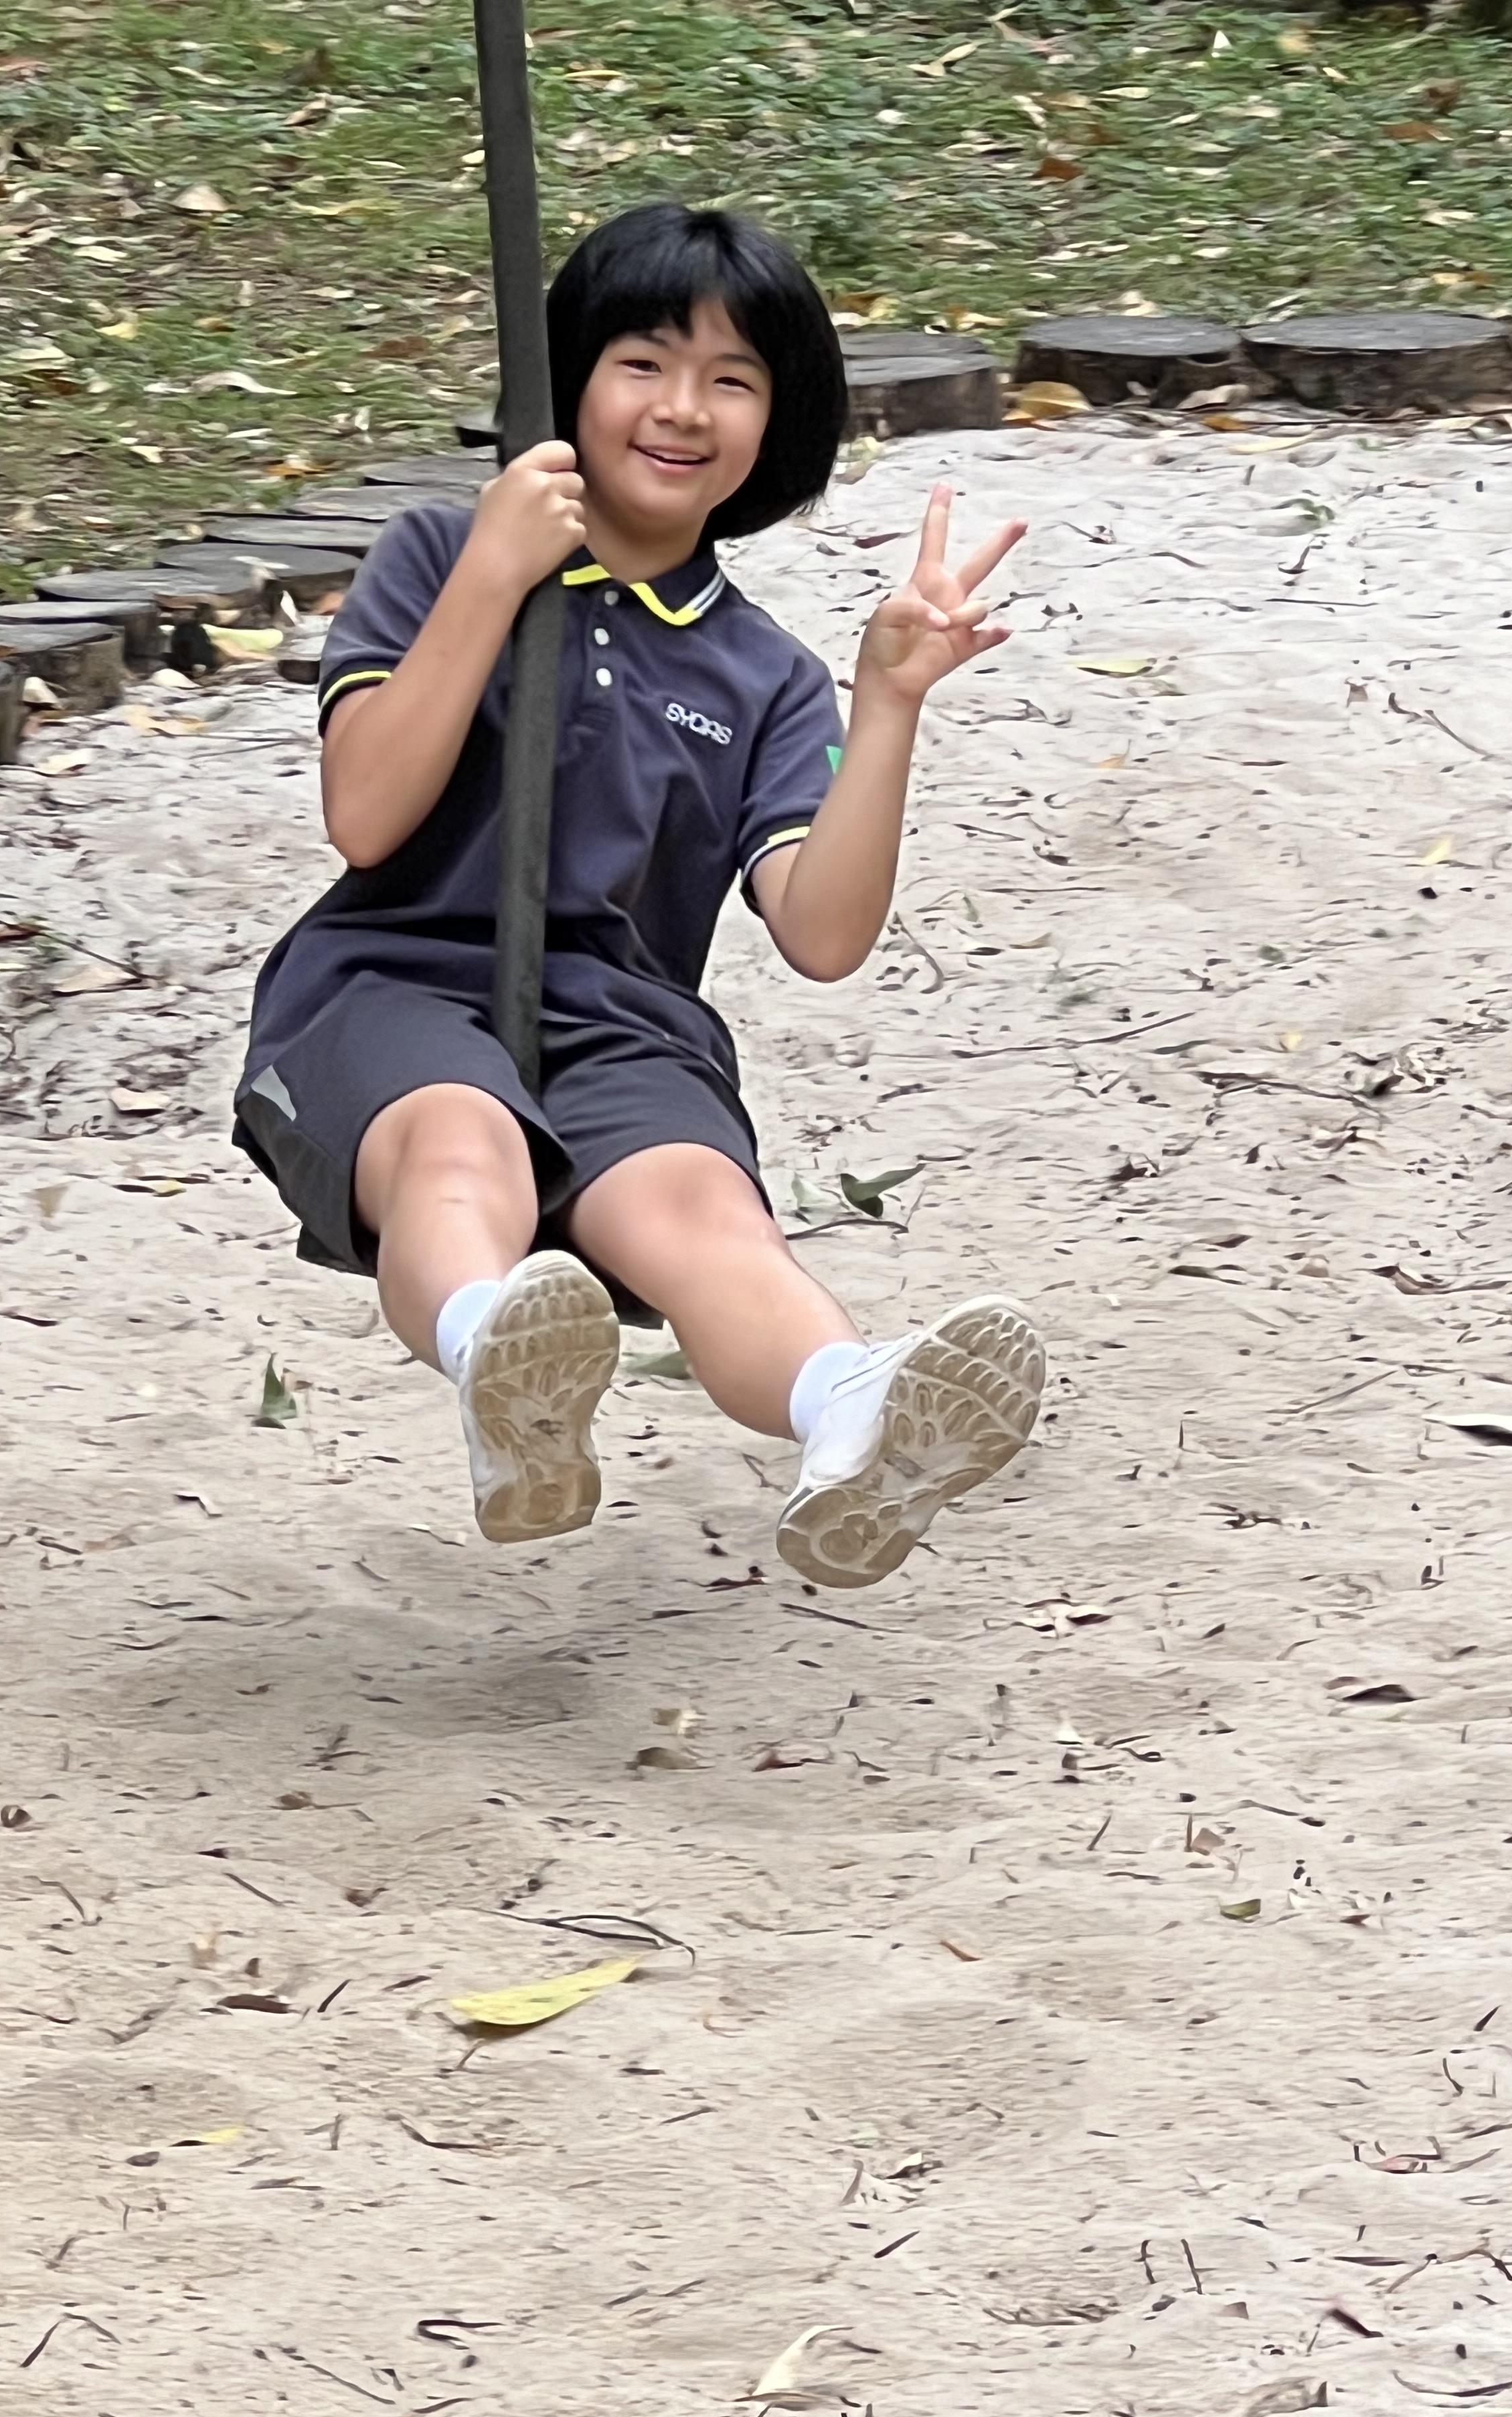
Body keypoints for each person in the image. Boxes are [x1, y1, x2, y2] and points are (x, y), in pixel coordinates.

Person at [233, 203, 1044, 1588]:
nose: (682, 408)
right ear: (569, 381)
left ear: (777, 423)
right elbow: (364, 814)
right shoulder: (437, 555)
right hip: (394, 983)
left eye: (733, 379)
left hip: (620, 1025)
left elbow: (824, 934)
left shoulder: (764, 675)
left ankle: (849, 1415)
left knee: (702, 1209)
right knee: (463, 1143)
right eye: (644, 364)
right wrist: (497, 572)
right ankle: (500, 1357)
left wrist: (888, 703)